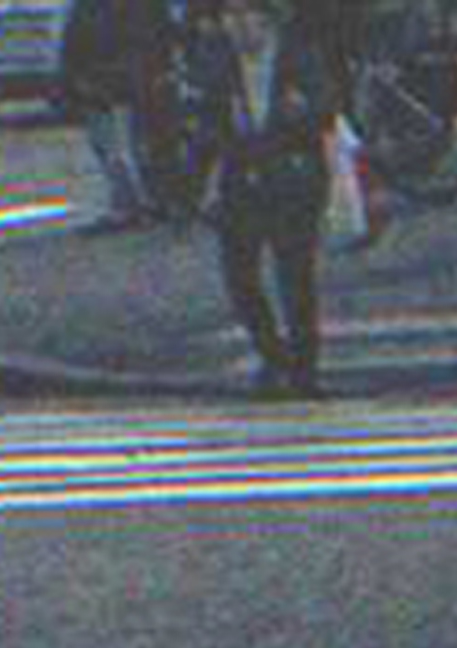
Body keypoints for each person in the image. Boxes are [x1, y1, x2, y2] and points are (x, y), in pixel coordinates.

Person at [194, 0, 340, 397]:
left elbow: (327, 107)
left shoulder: (298, 56)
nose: (238, 27)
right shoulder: (217, 62)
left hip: (291, 178)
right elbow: (206, 121)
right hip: (241, 177)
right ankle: (272, 355)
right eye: (230, 17)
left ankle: (304, 368)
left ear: (269, 19)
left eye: (247, 16)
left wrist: (303, 110)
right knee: (239, 275)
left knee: (295, 276)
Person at [61, 0, 175, 233]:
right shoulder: (91, 7)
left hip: (122, 84)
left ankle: (140, 203)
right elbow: (74, 41)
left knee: (127, 146)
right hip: (104, 83)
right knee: (114, 145)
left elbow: (156, 38)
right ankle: (137, 202)